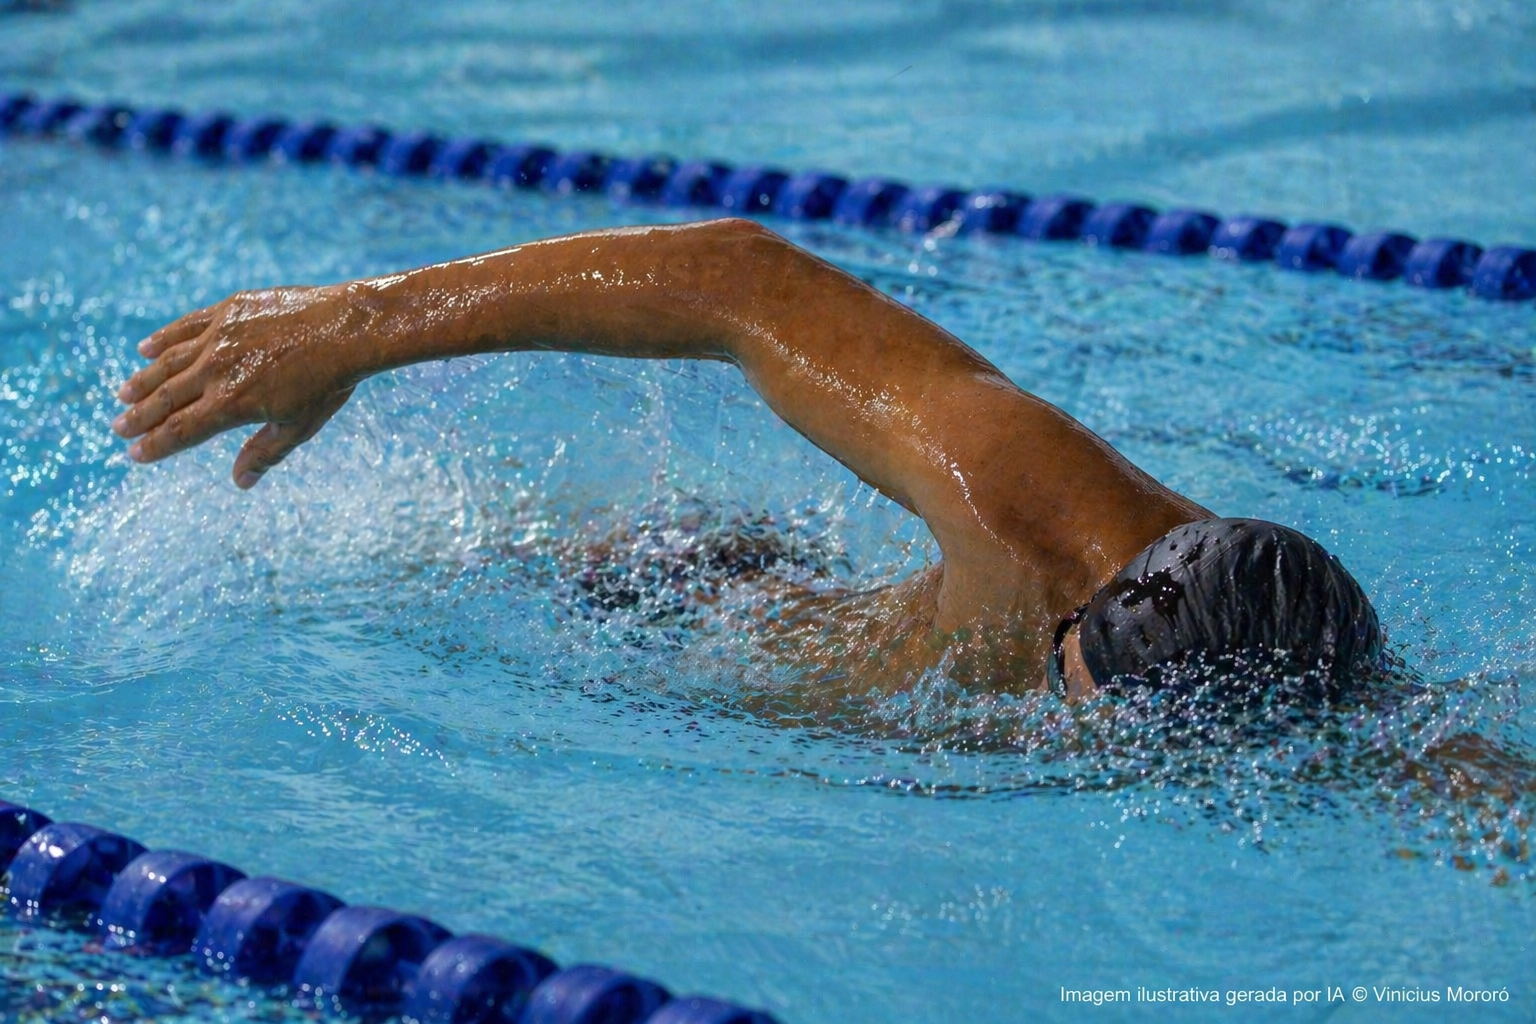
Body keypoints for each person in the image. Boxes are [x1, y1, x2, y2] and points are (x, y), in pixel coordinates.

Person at [111, 217, 1384, 706]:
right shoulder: (1020, 495)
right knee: (550, 567)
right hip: (689, 613)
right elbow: (731, 277)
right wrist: (361, 322)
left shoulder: (1316, 661)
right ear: (1082, 635)